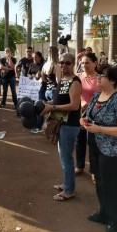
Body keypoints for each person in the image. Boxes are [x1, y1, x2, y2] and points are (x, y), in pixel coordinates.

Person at [81, 66, 117, 232]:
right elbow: (89, 116)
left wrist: (100, 129)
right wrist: (85, 121)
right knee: (99, 182)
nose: (98, 77)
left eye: (102, 75)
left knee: (110, 187)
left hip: (112, 151)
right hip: (95, 146)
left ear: (112, 81)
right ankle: (104, 213)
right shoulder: (97, 95)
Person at [41, 53, 81, 202]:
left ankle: (69, 190)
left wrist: (53, 107)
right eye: (61, 63)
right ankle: (67, 184)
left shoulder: (75, 82)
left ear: (73, 64)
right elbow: (59, 99)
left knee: (66, 158)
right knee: (64, 157)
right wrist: (50, 103)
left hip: (69, 125)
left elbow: (74, 105)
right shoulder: (63, 79)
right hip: (61, 124)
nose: (64, 65)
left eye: (68, 63)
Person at [75, 53, 100, 177]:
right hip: (81, 114)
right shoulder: (77, 77)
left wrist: (91, 104)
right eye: (82, 62)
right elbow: (73, 94)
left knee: (93, 143)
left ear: (95, 64)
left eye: (87, 62)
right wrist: (81, 101)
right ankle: (80, 166)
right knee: (80, 141)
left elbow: (106, 97)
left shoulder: (100, 79)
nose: (84, 65)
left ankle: (94, 171)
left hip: (96, 115)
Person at [28, 51, 45, 134]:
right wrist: (31, 76)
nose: (34, 59)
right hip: (33, 90)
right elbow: (28, 74)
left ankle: (38, 126)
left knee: (39, 106)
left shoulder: (43, 65)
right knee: (33, 106)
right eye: (33, 58)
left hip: (42, 88)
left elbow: (40, 77)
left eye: (36, 57)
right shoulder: (32, 65)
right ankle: (35, 123)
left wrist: (36, 76)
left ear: (40, 57)